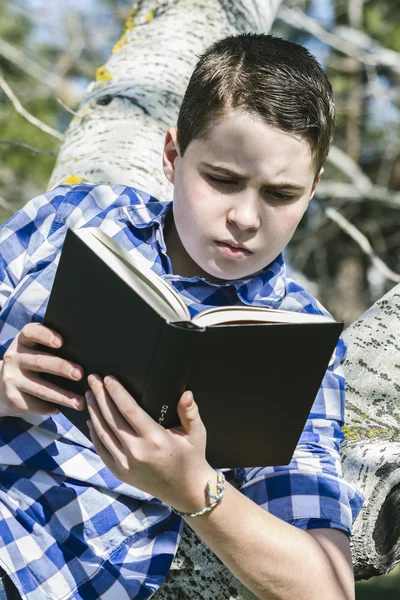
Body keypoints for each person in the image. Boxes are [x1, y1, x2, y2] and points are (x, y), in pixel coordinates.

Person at [0, 33, 364, 600]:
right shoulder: (72, 217)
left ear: (313, 190)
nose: (245, 217)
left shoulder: (293, 341)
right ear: (172, 157)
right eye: (222, 180)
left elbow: (325, 588)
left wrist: (193, 488)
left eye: (281, 194)